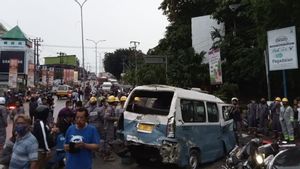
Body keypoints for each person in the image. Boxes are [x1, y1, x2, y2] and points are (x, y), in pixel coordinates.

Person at [32, 104, 55, 169]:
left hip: (40, 150)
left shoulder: (38, 122)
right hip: (41, 151)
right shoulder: (41, 123)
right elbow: (43, 136)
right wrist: (47, 149)